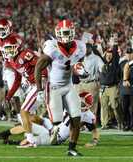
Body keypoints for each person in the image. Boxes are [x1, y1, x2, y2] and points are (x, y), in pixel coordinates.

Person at [34, 19, 87, 156]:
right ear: (58, 33)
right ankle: (34, 131)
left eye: (67, 32)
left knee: (76, 117)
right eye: (63, 32)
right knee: (56, 120)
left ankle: (72, 148)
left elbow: (75, 64)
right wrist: (39, 88)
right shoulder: (52, 48)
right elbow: (38, 68)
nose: (65, 35)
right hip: (54, 87)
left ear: (73, 32)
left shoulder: (80, 47)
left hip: (68, 86)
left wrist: (81, 70)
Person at [0, 92, 99, 148]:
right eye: (78, 101)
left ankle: (11, 141)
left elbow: (94, 130)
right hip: (53, 127)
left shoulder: (87, 115)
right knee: (30, 120)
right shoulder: (70, 103)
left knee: (29, 138)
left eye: (82, 103)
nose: (79, 103)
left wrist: (94, 142)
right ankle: (3, 134)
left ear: (87, 105)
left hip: (56, 137)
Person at [3, 35, 47, 148]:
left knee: (23, 112)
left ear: (17, 47)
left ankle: (30, 140)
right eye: (6, 49)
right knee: (25, 116)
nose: (9, 51)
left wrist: (41, 83)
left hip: (39, 85)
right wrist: (8, 97)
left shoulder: (25, 54)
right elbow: (17, 80)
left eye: (10, 48)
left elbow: (42, 65)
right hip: (33, 86)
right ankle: (46, 129)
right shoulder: (12, 60)